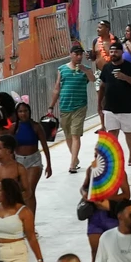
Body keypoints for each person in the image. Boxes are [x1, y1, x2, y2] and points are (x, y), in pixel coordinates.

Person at [99, 41, 131, 166]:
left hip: (127, 107)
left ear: (122, 52)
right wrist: (99, 103)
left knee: (128, 132)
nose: (113, 53)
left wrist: (125, 77)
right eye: (111, 51)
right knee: (112, 133)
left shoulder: (130, 67)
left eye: (116, 51)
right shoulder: (107, 67)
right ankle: (113, 156)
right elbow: (102, 86)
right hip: (110, 107)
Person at [52, 45, 96, 174]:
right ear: (71, 54)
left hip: (80, 106)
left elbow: (93, 79)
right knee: (68, 135)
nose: (79, 57)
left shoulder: (86, 69)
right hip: (65, 106)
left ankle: (72, 164)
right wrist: (51, 105)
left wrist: (85, 70)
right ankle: (75, 158)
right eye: (76, 54)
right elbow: (56, 88)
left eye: (80, 54)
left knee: (75, 134)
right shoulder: (62, 69)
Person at [10, 100, 52, 211]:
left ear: (29, 112)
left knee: (29, 190)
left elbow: (45, 146)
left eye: (25, 111)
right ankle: (23, 217)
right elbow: (9, 147)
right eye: (20, 111)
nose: (23, 114)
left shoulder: (36, 127)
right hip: (18, 161)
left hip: (34, 160)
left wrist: (49, 165)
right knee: (20, 191)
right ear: (17, 113)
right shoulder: (14, 128)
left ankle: (31, 221)